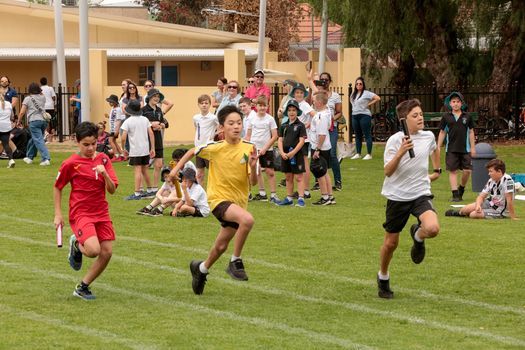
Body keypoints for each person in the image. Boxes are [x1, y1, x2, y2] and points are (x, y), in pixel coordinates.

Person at [169, 105, 258, 295]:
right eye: (231, 123)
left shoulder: (249, 148)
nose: (236, 126)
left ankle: (201, 269)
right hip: (219, 200)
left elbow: (254, 182)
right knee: (248, 220)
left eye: (239, 123)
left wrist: (253, 164)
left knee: (220, 246)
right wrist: (175, 171)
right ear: (221, 128)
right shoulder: (215, 148)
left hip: (239, 203)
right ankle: (235, 261)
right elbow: (192, 151)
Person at [378, 99, 441, 299]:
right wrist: (400, 152)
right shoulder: (395, 141)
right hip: (397, 196)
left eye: (421, 114)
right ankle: (383, 276)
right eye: (415, 115)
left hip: (420, 192)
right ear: (404, 120)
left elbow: (435, 149)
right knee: (391, 244)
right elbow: (388, 171)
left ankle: (418, 236)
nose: (420, 118)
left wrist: (437, 170)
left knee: (432, 228)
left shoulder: (428, 136)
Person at [53, 122, 119, 300]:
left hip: (101, 212)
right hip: (81, 213)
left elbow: (112, 190)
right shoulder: (70, 163)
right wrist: (58, 214)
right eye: (86, 144)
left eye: (93, 144)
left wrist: (104, 173)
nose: (90, 148)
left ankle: (82, 287)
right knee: (93, 250)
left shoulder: (104, 159)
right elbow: (58, 187)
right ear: (77, 142)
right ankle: (76, 243)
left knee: (107, 252)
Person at [437, 91, 476, 202]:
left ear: (461, 103)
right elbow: (442, 132)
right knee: (453, 171)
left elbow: (471, 132)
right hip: (451, 149)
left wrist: (473, 147)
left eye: (458, 102)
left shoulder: (467, 116)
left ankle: (461, 189)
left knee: (467, 171)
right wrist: (438, 146)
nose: (456, 104)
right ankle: (455, 195)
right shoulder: (446, 117)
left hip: (466, 149)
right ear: (450, 103)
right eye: (453, 102)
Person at [445, 159, 517, 220]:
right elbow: (481, 196)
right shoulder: (491, 180)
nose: (489, 174)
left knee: (473, 214)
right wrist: (478, 205)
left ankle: (476, 212)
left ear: (499, 171)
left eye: (491, 171)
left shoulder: (507, 181)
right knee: (466, 209)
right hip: (490, 203)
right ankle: (459, 213)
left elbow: (509, 200)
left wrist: (513, 217)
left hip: (499, 210)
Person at [308, 71, 343, 190]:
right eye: (321, 80)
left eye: (325, 80)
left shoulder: (324, 112)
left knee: (324, 159)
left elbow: (322, 134)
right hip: (322, 134)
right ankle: (325, 190)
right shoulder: (325, 107)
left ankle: (332, 187)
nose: (323, 82)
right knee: (321, 164)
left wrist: (317, 149)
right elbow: (316, 94)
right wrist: (310, 80)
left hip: (325, 135)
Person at [245, 96, 279, 203]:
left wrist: (265, 148)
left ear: (268, 106)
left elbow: (274, 136)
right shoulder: (252, 119)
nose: (262, 108)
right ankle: (262, 194)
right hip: (254, 150)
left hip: (266, 150)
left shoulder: (270, 119)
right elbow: (248, 135)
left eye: (264, 105)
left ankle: (273, 194)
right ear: (256, 106)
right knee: (256, 171)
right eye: (260, 105)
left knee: (270, 172)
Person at [120, 99, 155, 200]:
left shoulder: (128, 121)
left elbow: (123, 137)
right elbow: (151, 133)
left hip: (135, 150)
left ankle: (137, 193)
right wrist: (152, 148)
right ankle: (150, 190)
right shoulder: (145, 119)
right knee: (145, 170)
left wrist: (123, 149)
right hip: (145, 149)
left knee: (137, 170)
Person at [276, 100, 306, 207]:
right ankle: (289, 198)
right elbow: (280, 139)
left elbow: (302, 141)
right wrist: (282, 152)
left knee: (299, 177)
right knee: (288, 177)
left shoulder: (300, 125)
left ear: (297, 111)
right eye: (289, 110)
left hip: (296, 155)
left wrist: (293, 153)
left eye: (294, 110)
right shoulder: (284, 125)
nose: (291, 112)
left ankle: (301, 199)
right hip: (285, 155)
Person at [310, 92, 335, 205]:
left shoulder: (321, 116)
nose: (313, 102)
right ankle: (330, 196)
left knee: (319, 172)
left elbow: (322, 134)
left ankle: (324, 197)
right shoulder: (327, 110)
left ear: (319, 102)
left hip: (320, 147)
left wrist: (317, 149)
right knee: (324, 172)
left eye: (315, 100)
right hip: (325, 146)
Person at [291, 83, 316, 198]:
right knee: (297, 165)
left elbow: (314, 115)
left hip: (303, 139)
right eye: (297, 92)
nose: (299, 94)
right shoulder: (295, 104)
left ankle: (306, 190)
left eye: (301, 92)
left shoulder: (304, 105)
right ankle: (301, 189)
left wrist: (309, 124)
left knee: (304, 164)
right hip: (295, 138)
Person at [142, 88, 169, 189]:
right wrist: (150, 124)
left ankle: (155, 187)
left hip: (158, 139)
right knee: (144, 166)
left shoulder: (159, 110)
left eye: (158, 97)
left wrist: (160, 125)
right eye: (154, 96)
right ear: (149, 97)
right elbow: (140, 124)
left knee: (158, 165)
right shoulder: (143, 110)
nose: (156, 98)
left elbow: (165, 123)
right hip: (146, 140)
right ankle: (144, 188)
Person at [19, 82, 51, 166]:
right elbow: (42, 93)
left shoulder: (28, 98)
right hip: (43, 121)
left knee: (38, 140)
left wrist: (18, 121)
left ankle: (46, 158)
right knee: (34, 139)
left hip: (34, 121)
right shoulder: (43, 97)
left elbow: (22, 112)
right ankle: (29, 157)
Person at [350, 77, 380, 160]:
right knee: (357, 135)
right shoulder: (353, 94)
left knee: (367, 134)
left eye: (360, 84)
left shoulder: (366, 93)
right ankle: (358, 153)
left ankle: (369, 154)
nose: (358, 85)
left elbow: (377, 98)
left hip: (364, 115)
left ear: (363, 85)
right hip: (355, 115)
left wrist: (369, 104)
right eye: (357, 84)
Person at [192, 94, 219, 184]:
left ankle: (214, 192)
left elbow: (221, 127)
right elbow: (197, 128)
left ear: (210, 104)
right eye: (202, 103)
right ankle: (201, 194)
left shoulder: (213, 118)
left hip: (208, 148)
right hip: (198, 147)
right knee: (199, 173)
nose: (204, 105)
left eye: (206, 103)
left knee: (212, 172)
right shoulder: (196, 117)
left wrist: (213, 135)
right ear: (198, 105)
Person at [104, 94, 125, 160]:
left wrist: (117, 130)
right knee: (114, 141)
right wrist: (108, 117)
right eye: (109, 102)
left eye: (111, 102)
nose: (110, 103)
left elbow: (119, 120)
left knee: (110, 140)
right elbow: (113, 119)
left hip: (114, 129)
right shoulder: (113, 109)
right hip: (112, 128)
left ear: (115, 102)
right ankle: (121, 155)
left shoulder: (118, 109)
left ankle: (116, 155)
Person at [0, 94, 15, 168]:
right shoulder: (9, 104)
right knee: (6, 144)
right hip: (6, 126)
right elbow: (12, 116)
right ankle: (11, 160)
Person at [40, 77, 56, 144]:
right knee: (50, 121)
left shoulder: (40, 89)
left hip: (43, 107)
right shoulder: (50, 88)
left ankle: (46, 136)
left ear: (40, 82)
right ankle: (51, 137)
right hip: (50, 106)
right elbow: (54, 97)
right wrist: (53, 102)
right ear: (46, 81)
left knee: (44, 121)